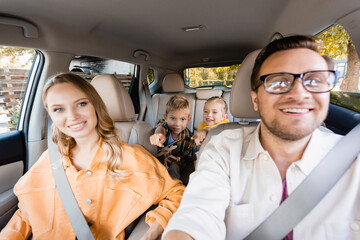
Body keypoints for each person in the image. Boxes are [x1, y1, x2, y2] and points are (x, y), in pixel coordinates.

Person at [162, 35, 360, 240]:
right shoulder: (223, 149)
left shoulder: (353, 159)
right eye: (279, 81)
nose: (300, 93)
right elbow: (196, 215)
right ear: (255, 100)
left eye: (314, 80)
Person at [0, 73, 185, 240]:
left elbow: (177, 193)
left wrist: (149, 234)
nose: (72, 116)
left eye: (81, 103)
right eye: (58, 109)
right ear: (51, 116)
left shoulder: (130, 157)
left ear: (96, 105)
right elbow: (27, 211)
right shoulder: (49, 159)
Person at [150, 95, 195, 185]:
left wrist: (177, 159)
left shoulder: (188, 137)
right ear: (166, 118)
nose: (177, 124)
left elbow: (186, 155)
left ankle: (173, 186)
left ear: (188, 120)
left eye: (182, 119)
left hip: (176, 162)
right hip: (159, 159)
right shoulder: (164, 127)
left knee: (175, 168)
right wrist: (159, 134)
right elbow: (160, 127)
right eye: (173, 118)